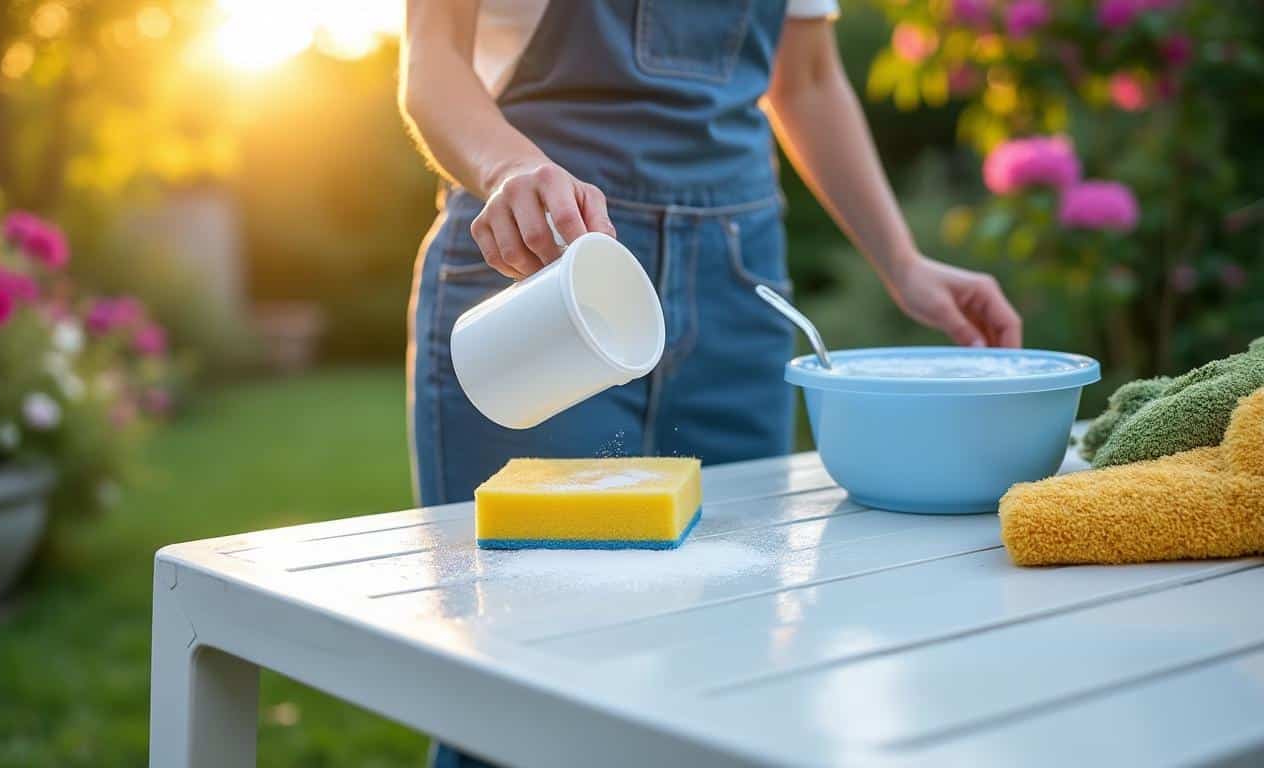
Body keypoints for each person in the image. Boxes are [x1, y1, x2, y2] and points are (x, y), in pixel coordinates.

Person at [399, 2, 1021, 764]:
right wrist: (509, 169)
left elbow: (810, 79)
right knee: (523, 672)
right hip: (537, 267)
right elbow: (431, 59)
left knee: (734, 649)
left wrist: (901, 261)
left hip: (738, 278)